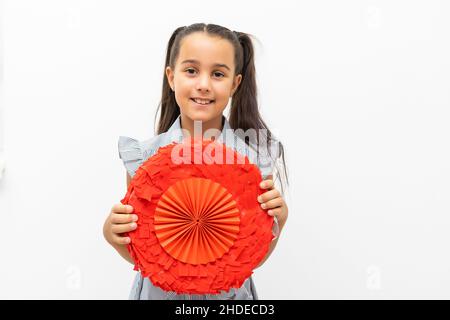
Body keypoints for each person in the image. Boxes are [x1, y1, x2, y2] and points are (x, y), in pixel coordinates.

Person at [103, 23, 289, 300]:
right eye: (191, 71)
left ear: (235, 83)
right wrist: (112, 233)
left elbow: (251, 259)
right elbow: (147, 256)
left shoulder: (254, 161)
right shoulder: (144, 159)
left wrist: (279, 221)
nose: (203, 85)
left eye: (217, 74)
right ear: (171, 77)